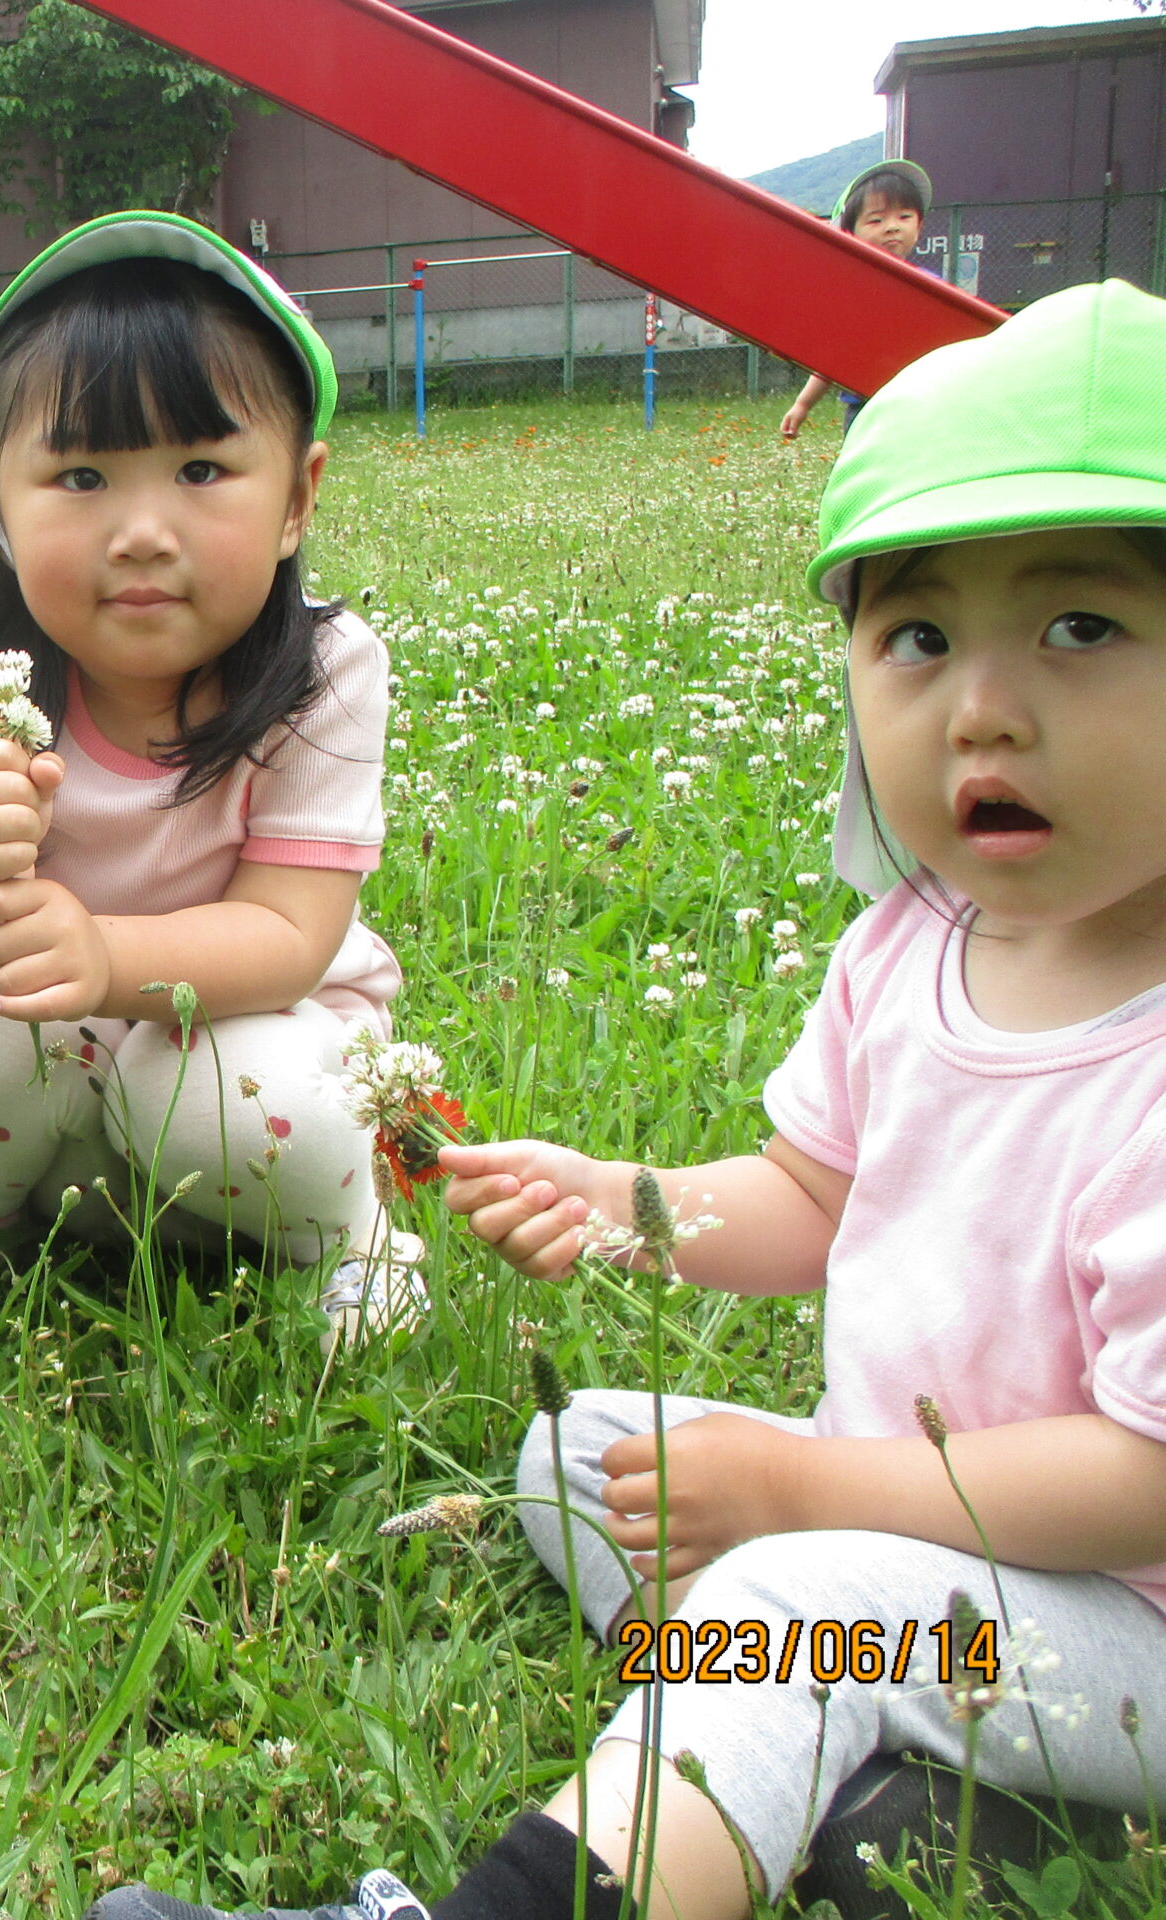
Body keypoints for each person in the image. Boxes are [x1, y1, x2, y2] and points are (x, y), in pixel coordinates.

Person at [84, 282, 1166, 1920]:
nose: (982, 706)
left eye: (1080, 626)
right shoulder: (914, 952)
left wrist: (811, 1496)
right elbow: (815, 1198)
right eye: (918, 636)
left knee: (795, 1595)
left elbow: (1145, 1474)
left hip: (1126, 1633)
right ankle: (877, 1800)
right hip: (932, 1546)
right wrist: (625, 1201)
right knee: (582, 1458)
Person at [0, 211, 408, 1322]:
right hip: (68, 1137)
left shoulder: (322, 670)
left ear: (297, 497)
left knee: (218, 1081)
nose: (141, 529)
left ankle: (348, 1245)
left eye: (199, 467)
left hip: (249, 1084)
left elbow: (288, 941)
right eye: (80, 475)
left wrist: (102, 952)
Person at [780, 159, 936, 444]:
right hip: (865, 407)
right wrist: (802, 404)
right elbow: (835, 353)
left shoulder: (933, 290)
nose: (892, 227)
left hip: (920, 403)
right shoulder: (856, 295)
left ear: (920, 225)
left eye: (904, 217)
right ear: (851, 234)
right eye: (876, 220)